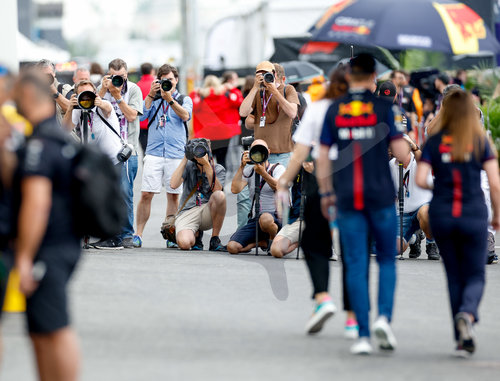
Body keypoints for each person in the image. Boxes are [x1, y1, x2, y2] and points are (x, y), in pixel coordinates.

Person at [317, 54, 408, 355]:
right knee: (385, 259)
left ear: (348, 76)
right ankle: (384, 317)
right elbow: (402, 154)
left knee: (355, 263)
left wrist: (326, 193)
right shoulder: (385, 107)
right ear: (373, 77)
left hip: (346, 198)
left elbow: (322, 157)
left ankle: (363, 334)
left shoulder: (334, 109)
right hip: (380, 195)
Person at [276, 65, 359, 338]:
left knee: (315, 242)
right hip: (353, 182)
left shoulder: (320, 107)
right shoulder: (367, 108)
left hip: (321, 177)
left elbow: (300, 151)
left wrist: (284, 182)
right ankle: (352, 318)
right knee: (351, 251)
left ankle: (323, 297)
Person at [416, 89, 500, 356]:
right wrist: (497, 215)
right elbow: (495, 185)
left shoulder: (434, 141)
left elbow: (419, 180)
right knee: (475, 273)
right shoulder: (480, 140)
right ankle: (469, 313)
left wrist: (439, 183)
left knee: (453, 275)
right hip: (473, 213)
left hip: (442, 213)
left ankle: (461, 337)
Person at [13, 71, 82, 381]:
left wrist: (25, 257)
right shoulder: (58, 139)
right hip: (64, 242)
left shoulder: (40, 144)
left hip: (49, 246)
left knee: (54, 328)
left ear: (28, 99)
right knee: (42, 329)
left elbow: (37, 204)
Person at [133, 64, 192, 249]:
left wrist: (170, 100)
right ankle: (138, 234)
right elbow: (141, 118)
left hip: (175, 153)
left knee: (174, 195)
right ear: (158, 81)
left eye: (171, 80)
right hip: (154, 152)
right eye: (164, 80)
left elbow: (185, 116)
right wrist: (151, 95)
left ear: (176, 81)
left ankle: (170, 234)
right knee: (146, 194)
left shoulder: (184, 98)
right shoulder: (154, 98)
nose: (168, 83)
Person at [95, 58, 143, 249]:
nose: (118, 81)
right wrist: (103, 90)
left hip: (128, 150)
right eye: (114, 77)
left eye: (121, 77)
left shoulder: (133, 89)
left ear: (126, 75)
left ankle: (126, 234)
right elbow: (92, 109)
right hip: (107, 150)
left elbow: (132, 116)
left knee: (125, 192)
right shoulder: (103, 88)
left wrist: (117, 96)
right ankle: (111, 233)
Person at [228, 139, 286, 254]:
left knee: (265, 218)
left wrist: (263, 173)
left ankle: (273, 239)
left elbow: (279, 187)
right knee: (232, 247)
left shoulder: (278, 168)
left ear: (268, 152)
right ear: (250, 153)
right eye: (255, 150)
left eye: (262, 150)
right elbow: (235, 189)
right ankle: (261, 243)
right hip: (256, 220)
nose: (259, 154)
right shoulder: (250, 171)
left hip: (276, 219)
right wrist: (241, 167)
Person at [169, 138, 227, 251]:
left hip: (208, 210)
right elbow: (173, 184)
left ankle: (215, 239)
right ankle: (196, 236)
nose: (200, 152)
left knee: (220, 195)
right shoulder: (189, 166)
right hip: (188, 210)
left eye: (204, 148)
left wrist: (206, 165)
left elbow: (217, 190)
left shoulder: (218, 169)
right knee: (184, 244)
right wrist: (186, 157)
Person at [239, 60, 299, 167]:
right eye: (260, 74)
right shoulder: (258, 92)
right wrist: (255, 87)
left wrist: (274, 91)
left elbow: (292, 112)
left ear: (274, 74)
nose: (263, 77)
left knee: (280, 184)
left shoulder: (288, 89)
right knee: (255, 183)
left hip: (282, 154)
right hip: (259, 152)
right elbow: (243, 113)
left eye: (266, 73)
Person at [388, 135, 439, 259]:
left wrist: (415, 147)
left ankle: (431, 243)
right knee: (392, 249)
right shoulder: (390, 165)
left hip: (422, 208)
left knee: (426, 214)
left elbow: (425, 161)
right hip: (403, 214)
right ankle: (413, 238)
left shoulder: (418, 160)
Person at [63, 80, 122, 165]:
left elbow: (108, 109)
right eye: (83, 94)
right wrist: (70, 109)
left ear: (95, 93)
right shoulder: (78, 109)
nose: (86, 97)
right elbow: (66, 129)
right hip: (93, 162)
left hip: (113, 160)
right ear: (77, 96)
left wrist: (100, 103)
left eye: (89, 93)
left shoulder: (103, 103)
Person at [190, 75, 242, 169]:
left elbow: (192, 106)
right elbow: (239, 101)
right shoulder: (226, 94)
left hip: (205, 134)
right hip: (224, 133)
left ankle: (209, 181)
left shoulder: (200, 95)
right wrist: (233, 89)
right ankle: (221, 182)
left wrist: (194, 92)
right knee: (222, 159)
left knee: (207, 161)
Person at [270, 162, 313, 258]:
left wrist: (313, 173)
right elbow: (280, 185)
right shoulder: (299, 165)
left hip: (322, 221)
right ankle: (301, 242)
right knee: (276, 250)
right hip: (299, 218)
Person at [34, 59, 71, 126]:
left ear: (54, 74)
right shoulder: (32, 91)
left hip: (62, 132)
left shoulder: (64, 89)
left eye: (48, 75)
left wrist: (54, 92)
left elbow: (71, 110)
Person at [137, 62, 156, 154]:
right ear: (152, 71)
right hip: (154, 123)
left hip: (140, 124)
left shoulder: (137, 86)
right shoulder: (156, 85)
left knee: (145, 151)